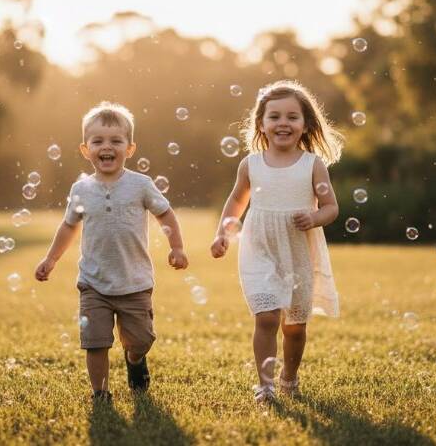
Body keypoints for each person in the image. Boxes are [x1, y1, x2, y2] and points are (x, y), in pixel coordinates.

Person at [35, 101, 189, 402]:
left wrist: (177, 247)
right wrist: (51, 259)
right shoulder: (81, 189)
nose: (107, 147)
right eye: (98, 141)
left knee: (141, 340)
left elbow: (166, 214)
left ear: (129, 149)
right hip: (93, 283)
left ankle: (135, 360)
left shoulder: (141, 185)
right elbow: (68, 227)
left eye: (116, 141)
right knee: (95, 342)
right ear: (85, 149)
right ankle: (100, 393)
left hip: (135, 283)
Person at [211, 80, 344, 404]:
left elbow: (331, 208)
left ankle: (289, 377)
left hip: (298, 249)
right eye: (274, 117)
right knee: (267, 316)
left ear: (305, 124)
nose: (283, 123)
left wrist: (314, 217)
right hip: (260, 247)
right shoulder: (251, 164)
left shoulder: (313, 165)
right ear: (261, 123)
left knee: (295, 326)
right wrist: (223, 233)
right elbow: (236, 201)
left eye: (292, 117)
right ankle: (266, 385)